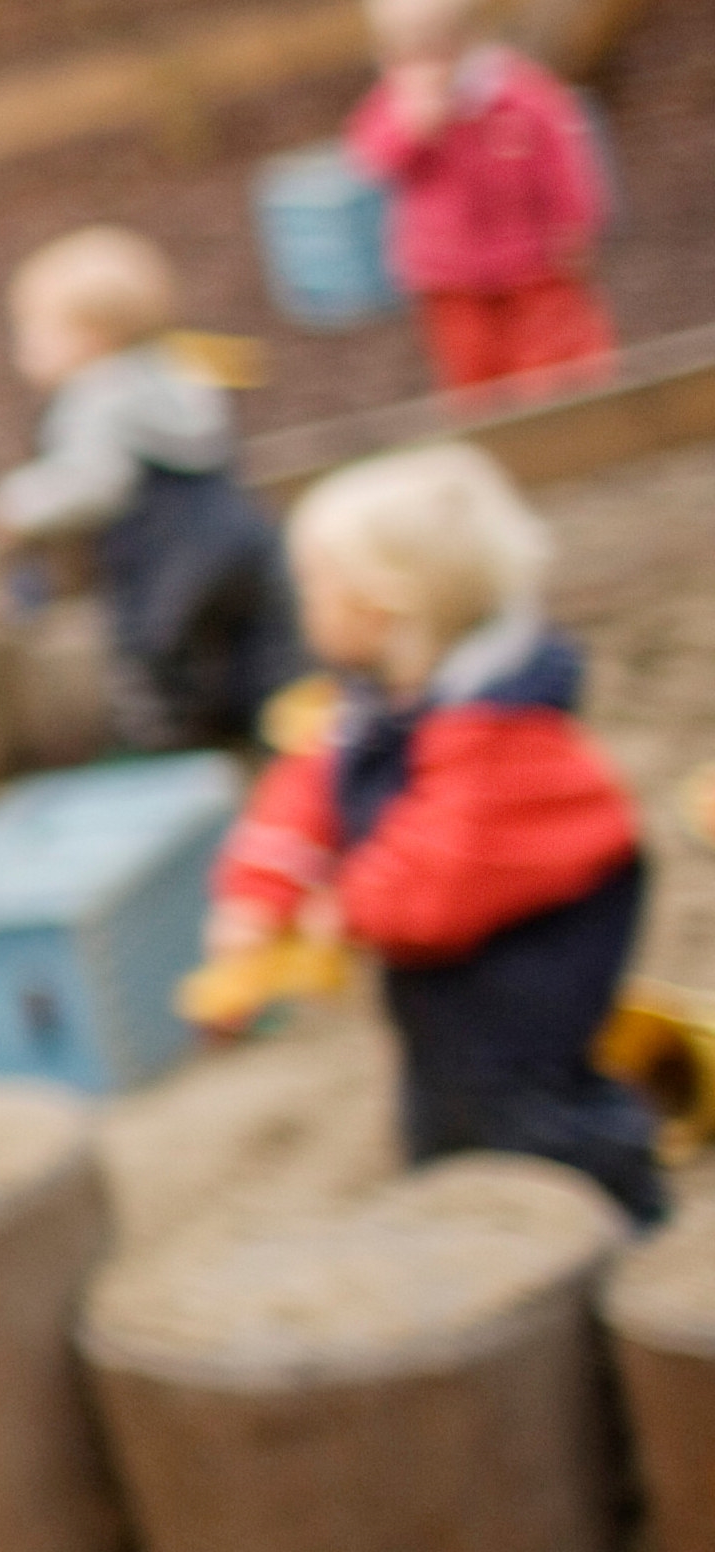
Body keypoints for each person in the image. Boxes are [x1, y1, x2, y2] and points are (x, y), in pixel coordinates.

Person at [208, 443, 668, 1223]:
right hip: (449, 1017)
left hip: (526, 1012)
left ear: (382, 609)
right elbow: (309, 786)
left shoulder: (509, 739)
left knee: (549, 1146)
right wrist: (261, 891)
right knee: (450, 1129)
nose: (300, 599)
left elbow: (439, 882)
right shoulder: (377, 701)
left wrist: (341, 910)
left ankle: (624, 1241)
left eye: (316, 582)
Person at [0, 223, 301, 753]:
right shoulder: (180, 369)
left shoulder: (94, 395)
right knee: (257, 656)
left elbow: (94, 484)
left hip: (167, 560)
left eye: (32, 333)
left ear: (90, 338)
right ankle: (271, 745)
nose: (23, 348)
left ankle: (176, 761)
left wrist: (18, 504)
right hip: (245, 536)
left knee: (158, 671)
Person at [347, 0, 620, 410]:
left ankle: (563, 427)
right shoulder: (397, 103)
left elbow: (563, 154)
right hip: (448, 273)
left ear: (468, 37)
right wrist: (413, 127)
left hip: (532, 261)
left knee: (555, 367)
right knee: (474, 378)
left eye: (433, 50)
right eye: (401, 54)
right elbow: (370, 160)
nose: (418, 66)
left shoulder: (518, 93)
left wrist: (575, 223)